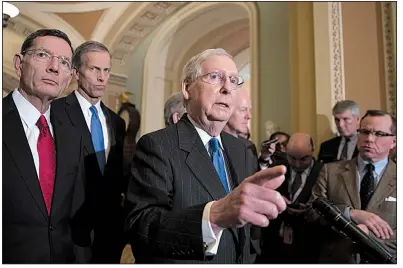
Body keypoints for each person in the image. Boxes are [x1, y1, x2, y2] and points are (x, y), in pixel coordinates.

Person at [125, 48, 287, 264]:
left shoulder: (243, 150)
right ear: (187, 87)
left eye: (233, 80)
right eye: (215, 77)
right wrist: (213, 216)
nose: (227, 88)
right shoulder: (157, 145)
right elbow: (141, 227)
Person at [3, 29, 90, 263]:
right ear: (19, 64)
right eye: (43, 55)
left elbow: (77, 217)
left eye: (64, 62)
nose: (54, 67)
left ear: (70, 76)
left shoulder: (73, 135)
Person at [52, 41, 126, 263]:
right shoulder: (55, 113)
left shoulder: (117, 122)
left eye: (106, 70)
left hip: (108, 234)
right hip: (67, 232)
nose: (101, 77)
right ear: (76, 72)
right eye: (94, 69)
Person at [307, 110, 397, 263]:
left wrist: (366, 236)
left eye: (379, 134)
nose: (369, 139)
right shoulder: (331, 171)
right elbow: (311, 213)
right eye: (365, 132)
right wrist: (350, 214)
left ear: (394, 141)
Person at [258, 133, 323, 263]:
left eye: (304, 159)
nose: (297, 164)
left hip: (309, 247)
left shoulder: (323, 171)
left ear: (313, 150)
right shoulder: (277, 167)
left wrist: (311, 209)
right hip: (275, 245)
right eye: (292, 158)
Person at [223, 88, 258, 174]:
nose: (249, 116)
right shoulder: (211, 146)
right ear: (226, 109)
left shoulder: (249, 147)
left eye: (249, 110)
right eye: (243, 110)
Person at [117, 91, 141, 186]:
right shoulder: (135, 112)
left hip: (123, 148)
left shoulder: (125, 111)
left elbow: (121, 130)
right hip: (133, 147)